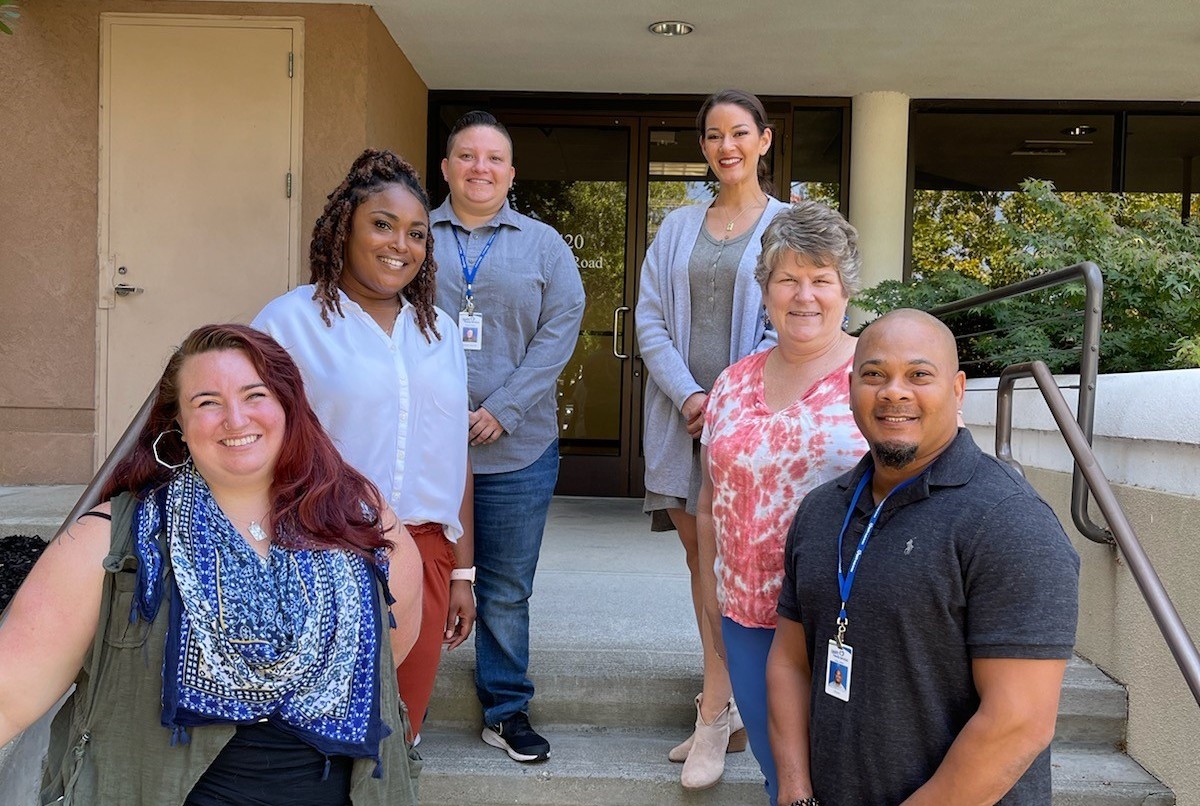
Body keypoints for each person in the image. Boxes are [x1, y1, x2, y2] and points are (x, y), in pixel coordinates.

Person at [0, 324, 423, 805]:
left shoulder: (362, 522)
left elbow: (389, 654)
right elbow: (9, 694)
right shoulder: (112, 540)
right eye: (207, 402)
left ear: (288, 405)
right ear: (177, 424)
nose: (235, 419)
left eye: (254, 394)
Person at [767, 309, 1081, 806]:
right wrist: (795, 789)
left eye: (918, 375)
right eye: (874, 375)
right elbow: (789, 661)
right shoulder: (822, 510)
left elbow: (1018, 723)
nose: (894, 391)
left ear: (957, 390)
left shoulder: (1010, 521)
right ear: (850, 387)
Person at [253, 149, 473, 745]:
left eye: (417, 233)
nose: (400, 244)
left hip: (425, 553)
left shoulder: (440, 333)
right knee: (317, 739)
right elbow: (250, 451)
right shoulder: (287, 323)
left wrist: (462, 572)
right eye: (382, 224)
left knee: (401, 735)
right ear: (344, 226)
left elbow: (457, 458)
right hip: (322, 551)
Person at [634, 88, 789, 790]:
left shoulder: (790, 226)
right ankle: (723, 707)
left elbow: (787, 321)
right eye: (713, 136)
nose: (726, 147)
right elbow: (649, 320)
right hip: (678, 417)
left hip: (750, 422)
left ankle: (717, 715)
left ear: (764, 139)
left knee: (737, 573)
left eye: (739, 134)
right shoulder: (676, 225)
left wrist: (724, 400)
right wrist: (690, 395)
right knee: (704, 571)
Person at [692, 202, 868, 800]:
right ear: (764, 290)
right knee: (781, 777)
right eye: (788, 278)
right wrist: (713, 599)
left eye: (822, 279)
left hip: (847, 620)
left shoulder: (874, 377)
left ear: (846, 290)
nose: (805, 295)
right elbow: (710, 495)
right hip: (746, 617)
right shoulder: (732, 382)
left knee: (842, 778)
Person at [430, 110, 585, 763]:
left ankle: (505, 709)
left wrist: (506, 408)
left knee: (504, 586)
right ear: (446, 168)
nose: (480, 168)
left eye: (494, 158)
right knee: (414, 573)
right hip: (429, 449)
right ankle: (393, 702)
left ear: (511, 173)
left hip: (517, 448)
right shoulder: (415, 236)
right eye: (467, 156)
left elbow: (562, 327)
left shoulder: (543, 243)